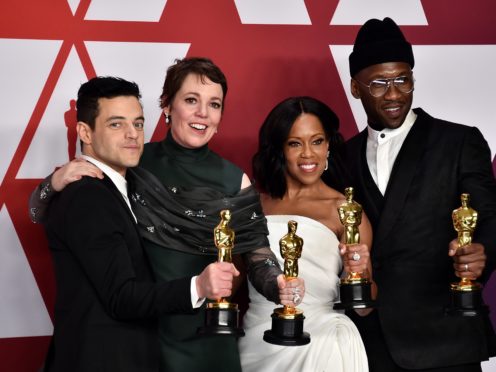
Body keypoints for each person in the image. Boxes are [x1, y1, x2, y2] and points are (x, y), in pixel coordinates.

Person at [29, 58, 303, 372]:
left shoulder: (234, 180)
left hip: (206, 334)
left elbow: (258, 257)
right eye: (191, 100)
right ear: (167, 106)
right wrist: (52, 183)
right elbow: (45, 211)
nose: (203, 113)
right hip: (138, 333)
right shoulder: (131, 161)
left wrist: (279, 283)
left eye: (214, 104)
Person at [41, 76, 239, 372]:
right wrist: (198, 286)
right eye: (116, 124)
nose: (132, 134)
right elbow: (121, 296)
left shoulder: (127, 183)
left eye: (138, 123)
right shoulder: (87, 196)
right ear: (85, 131)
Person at [337, 17, 496, 372]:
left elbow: (489, 220)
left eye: (402, 80)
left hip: (445, 339)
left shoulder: (459, 142)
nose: (394, 94)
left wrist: (481, 254)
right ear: (355, 87)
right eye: (379, 83)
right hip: (368, 342)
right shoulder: (340, 158)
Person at [239, 96, 372, 372]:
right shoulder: (253, 204)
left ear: (329, 146)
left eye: (317, 141)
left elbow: (364, 307)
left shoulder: (345, 211)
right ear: (279, 149)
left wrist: (359, 270)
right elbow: (233, 280)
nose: (308, 154)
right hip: (256, 344)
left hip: (321, 346)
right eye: (295, 143)